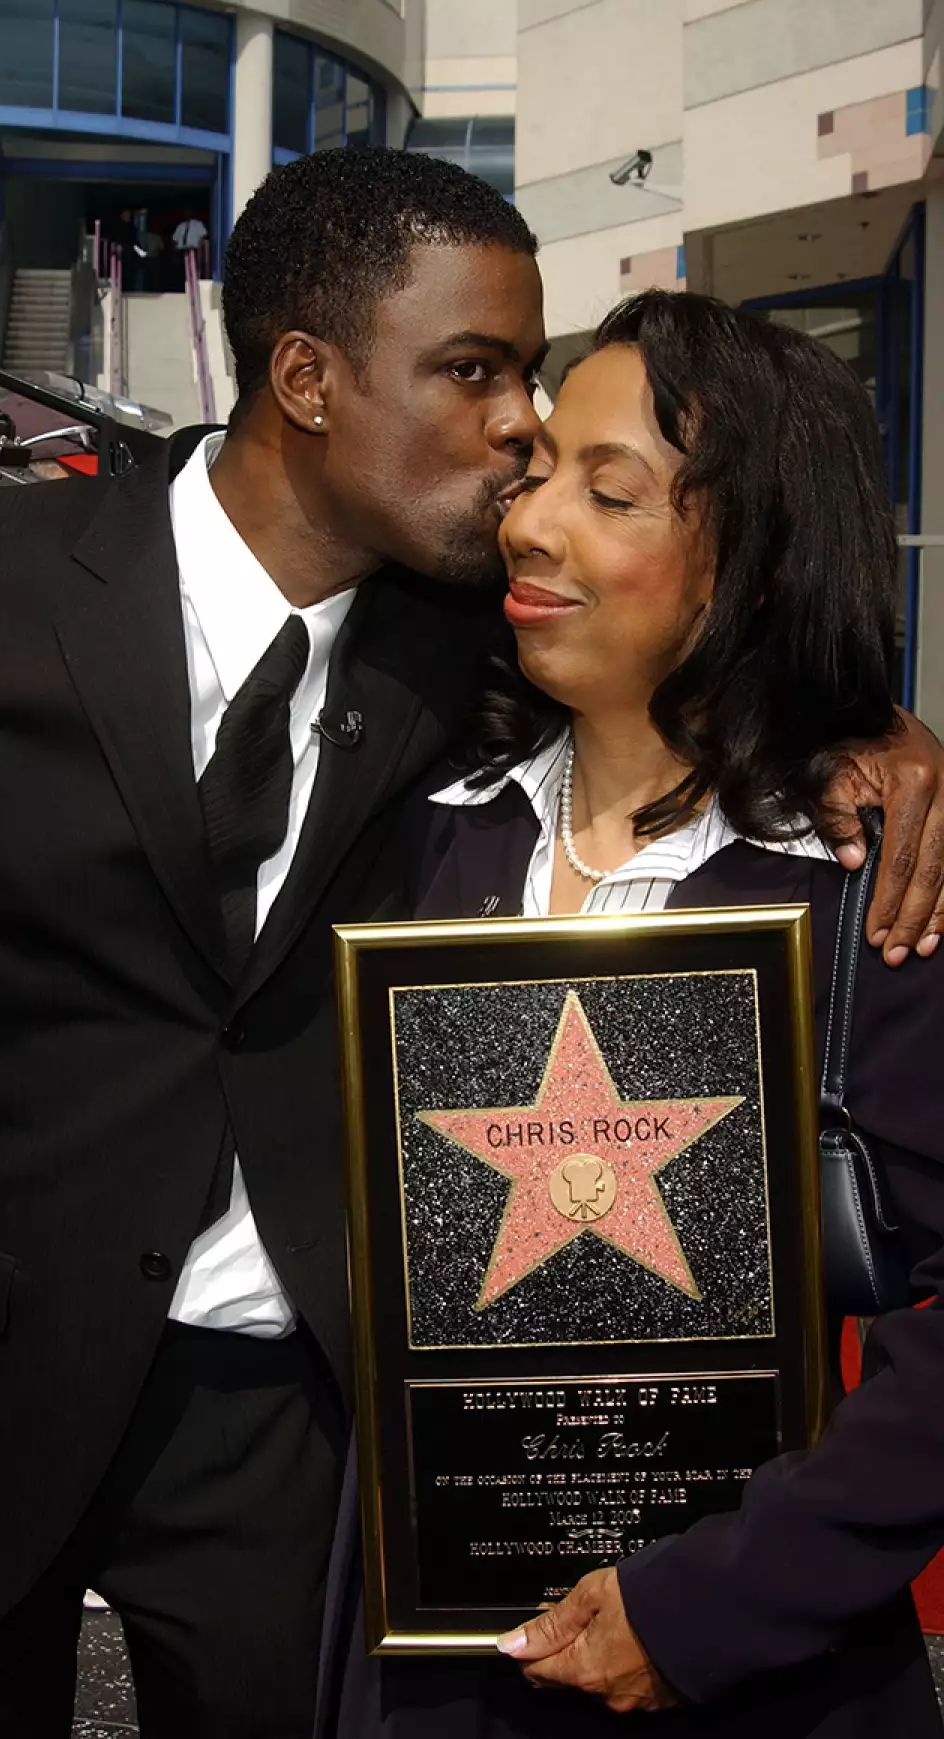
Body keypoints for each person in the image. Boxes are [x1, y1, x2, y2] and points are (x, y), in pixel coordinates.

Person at [0, 154, 940, 1739]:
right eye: (477, 372)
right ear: (306, 378)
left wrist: (868, 734)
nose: (519, 437)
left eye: (537, 389)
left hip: (305, 1439)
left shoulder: (471, 655)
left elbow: (718, 628)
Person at [325, 290, 944, 1739]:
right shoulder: (420, 840)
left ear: (757, 563)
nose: (533, 524)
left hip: (752, 1676)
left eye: (611, 495)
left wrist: (708, 1604)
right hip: (437, 1668)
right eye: (539, 471)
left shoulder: (871, 890)